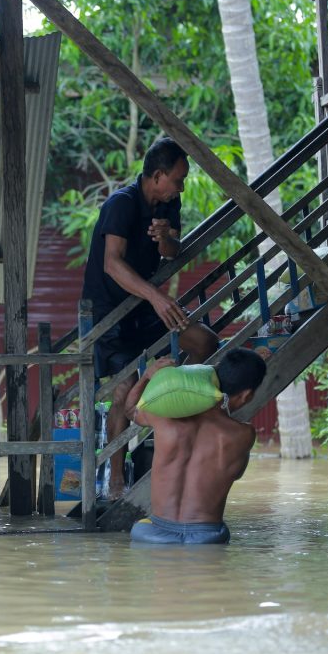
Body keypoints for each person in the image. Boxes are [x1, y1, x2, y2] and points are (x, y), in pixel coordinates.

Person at [81, 136, 219, 496]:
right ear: (157, 175)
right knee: (122, 387)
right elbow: (112, 263)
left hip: (143, 306)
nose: (182, 186)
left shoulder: (170, 203)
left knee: (204, 341)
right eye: (178, 179)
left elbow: (174, 250)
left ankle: (167, 407)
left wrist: (163, 241)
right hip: (110, 312)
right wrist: (157, 297)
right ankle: (115, 480)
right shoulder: (121, 204)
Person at [125, 348, 267, 544]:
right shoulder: (244, 435)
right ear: (247, 395)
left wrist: (147, 377)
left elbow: (130, 410)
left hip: (153, 534)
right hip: (206, 537)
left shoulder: (163, 417)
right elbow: (236, 473)